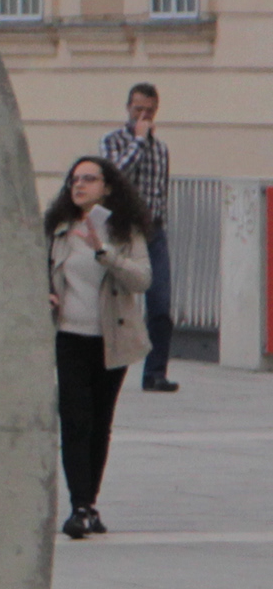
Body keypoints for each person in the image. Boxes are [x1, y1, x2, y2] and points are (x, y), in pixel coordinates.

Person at [46, 152, 154, 538]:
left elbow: (142, 279)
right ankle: (79, 507)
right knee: (75, 421)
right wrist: (44, 292)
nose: (79, 185)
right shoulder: (58, 229)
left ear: (107, 188)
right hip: (69, 337)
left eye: (89, 179)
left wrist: (104, 252)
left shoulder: (124, 231)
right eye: (74, 179)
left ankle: (90, 503)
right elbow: (37, 269)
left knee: (99, 423)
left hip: (112, 340)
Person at [99, 84, 178, 394]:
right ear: (127, 108)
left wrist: (161, 224)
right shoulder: (113, 141)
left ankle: (155, 373)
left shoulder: (161, 149)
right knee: (112, 300)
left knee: (160, 304)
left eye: (149, 111)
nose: (143, 116)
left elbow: (160, 191)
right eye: (138, 110)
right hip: (121, 230)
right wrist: (138, 140)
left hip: (153, 230)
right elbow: (114, 177)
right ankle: (105, 364)